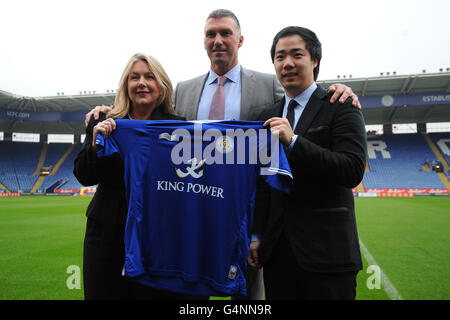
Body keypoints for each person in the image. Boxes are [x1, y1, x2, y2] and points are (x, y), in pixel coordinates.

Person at [84, 9, 361, 300]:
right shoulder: (184, 90)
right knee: (191, 292)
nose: (218, 40)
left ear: (240, 40)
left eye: (225, 33)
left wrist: (338, 89)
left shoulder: (270, 86)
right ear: (203, 42)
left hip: (246, 212)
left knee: (248, 296)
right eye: (210, 34)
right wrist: (109, 111)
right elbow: (149, 111)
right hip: (197, 211)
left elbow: (304, 93)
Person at [248, 26, 367, 300]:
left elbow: (351, 170)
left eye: (296, 55)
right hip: (278, 256)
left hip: (329, 255)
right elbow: (264, 183)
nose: (287, 63)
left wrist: (294, 141)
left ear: (314, 60)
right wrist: (256, 235)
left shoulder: (341, 104)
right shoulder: (268, 115)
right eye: (280, 57)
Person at [73, 53, 188, 300]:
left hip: (157, 236)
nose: (142, 83)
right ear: (126, 85)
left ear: (162, 85)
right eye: (134, 77)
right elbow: (83, 175)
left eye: (149, 77)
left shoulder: (179, 128)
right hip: (106, 236)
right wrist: (95, 144)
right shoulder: (105, 121)